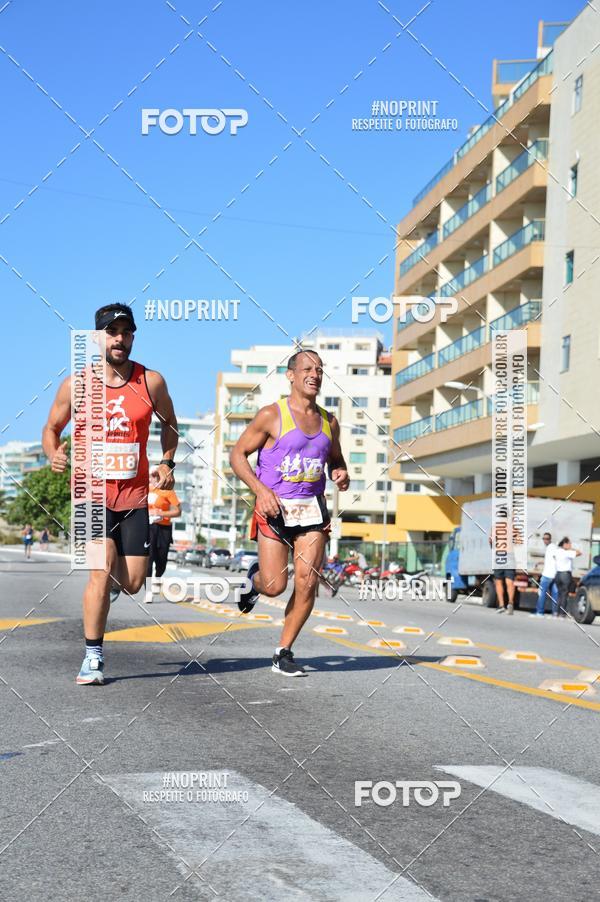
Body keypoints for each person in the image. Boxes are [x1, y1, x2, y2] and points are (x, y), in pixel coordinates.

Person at [42, 303, 177, 685]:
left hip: (134, 496)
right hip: (91, 494)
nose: (119, 339)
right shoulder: (77, 385)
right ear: (99, 337)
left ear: (133, 336)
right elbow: (51, 428)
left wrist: (167, 462)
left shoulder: (151, 382)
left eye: (126, 332)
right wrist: (54, 454)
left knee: (133, 582)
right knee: (101, 569)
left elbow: (171, 425)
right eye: (112, 332)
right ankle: (93, 656)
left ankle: (115, 588)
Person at [230, 349, 349, 676]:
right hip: (275, 510)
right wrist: (260, 491)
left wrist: (340, 473)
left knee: (307, 582)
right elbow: (237, 455)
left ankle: (283, 650)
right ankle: (254, 582)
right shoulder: (272, 415)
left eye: (320, 369)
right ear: (291, 375)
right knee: (274, 586)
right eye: (308, 368)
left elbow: (335, 460)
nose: (315, 374)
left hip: (312, 514)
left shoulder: (329, 421)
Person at [145, 480, 181, 602]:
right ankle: (148, 591)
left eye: (157, 476)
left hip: (164, 528)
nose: (154, 479)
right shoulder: (145, 489)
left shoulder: (168, 491)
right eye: (152, 476)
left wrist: (161, 512)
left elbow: (178, 511)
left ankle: (157, 579)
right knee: (148, 560)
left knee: (161, 561)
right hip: (149, 527)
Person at [553, 536, 582, 619]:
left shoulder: (557, 551)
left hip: (558, 574)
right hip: (565, 574)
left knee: (559, 594)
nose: (570, 545)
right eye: (569, 543)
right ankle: (562, 613)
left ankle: (556, 612)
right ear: (565, 544)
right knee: (564, 594)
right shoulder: (567, 552)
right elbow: (579, 553)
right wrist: (571, 548)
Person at [531, 532, 558, 618]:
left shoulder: (551, 547)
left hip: (548, 575)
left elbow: (556, 558)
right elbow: (550, 560)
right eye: (544, 538)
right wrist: (540, 562)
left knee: (542, 593)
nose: (545, 540)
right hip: (553, 575)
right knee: (555, 594)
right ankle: (555, 613)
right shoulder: (550, 547)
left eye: (547, 539)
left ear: (550, 539)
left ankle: (540, 612)